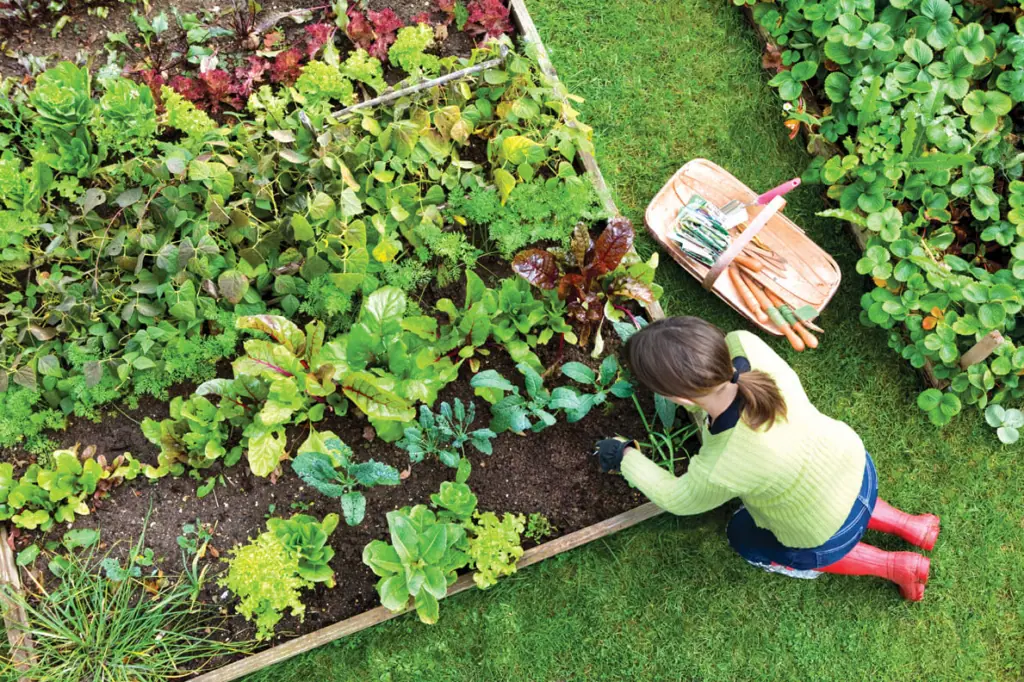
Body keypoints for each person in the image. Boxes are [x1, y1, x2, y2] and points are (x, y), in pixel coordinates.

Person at [595, 316, 940, 600]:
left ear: (677, 398)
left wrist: (624, 455)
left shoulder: (723, 464)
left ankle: (896, 566)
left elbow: (678, 498)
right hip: (855, 465)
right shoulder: (746, 345)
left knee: (742, 536)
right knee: (833, 493)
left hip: (823, 530)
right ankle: (912, 526)